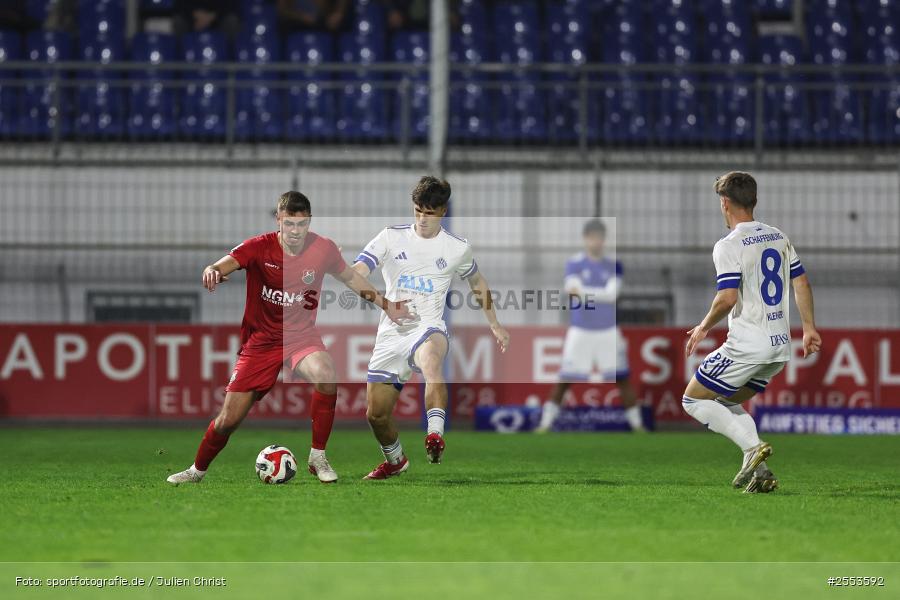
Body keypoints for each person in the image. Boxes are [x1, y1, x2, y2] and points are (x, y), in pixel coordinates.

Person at [166, 191, 409, 485]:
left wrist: (387, 305)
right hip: (261, 342)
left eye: (302, 225)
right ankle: (196, 471)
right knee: (227, 420)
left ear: (309, 222)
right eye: (289, 224)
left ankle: (318, 456)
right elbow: (224, 263)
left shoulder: (323, 249)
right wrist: (212, 270)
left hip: (300, 337)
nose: (295, 232)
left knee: (326, 373)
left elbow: (351, 278)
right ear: (279, 220)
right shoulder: (258, 247)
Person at [352, 176, 510, 480]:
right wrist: (385, 303)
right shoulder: (389, 237)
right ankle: (396, 460)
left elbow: (477, 283)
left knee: (432, 364)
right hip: (391, 332)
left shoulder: (456, 248)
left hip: (429, 326)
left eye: (430, 212)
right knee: (376, 414)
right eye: (417, 211)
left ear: (443, 211)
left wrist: (495, 324)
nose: (423, 219)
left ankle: (435, 435)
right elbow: (356, 272)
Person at [683, 171, 821, 493]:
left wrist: (704, 326)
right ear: (754, 201)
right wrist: (810, 327)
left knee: (693, 399)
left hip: (748, 345)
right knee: (722, 400)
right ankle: (761, 473)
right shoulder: (777, 236)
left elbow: (727, 297)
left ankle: (751, 449)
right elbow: (801, 282)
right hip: (778, 347)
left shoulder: (728, 245)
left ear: (725, 203)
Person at [536, 219, 645, 433]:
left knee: (622, 378)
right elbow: (572, 288)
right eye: (592, 237)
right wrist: (598, 294)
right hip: (580, 330)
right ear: (586, 239)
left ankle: (638, 426)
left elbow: (612, 295)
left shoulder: (614, 264)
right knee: (565, 378)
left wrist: (584, 293)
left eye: (600, 237)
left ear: (604, 240)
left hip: (608, 330)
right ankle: (544, 425)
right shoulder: (574, 263)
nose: (596, 241)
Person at [277, 0, 349, 32]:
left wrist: (338, 13)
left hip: (323, 21)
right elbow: (283, 10)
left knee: (340, 24)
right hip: (296, 22)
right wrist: (302, 17)